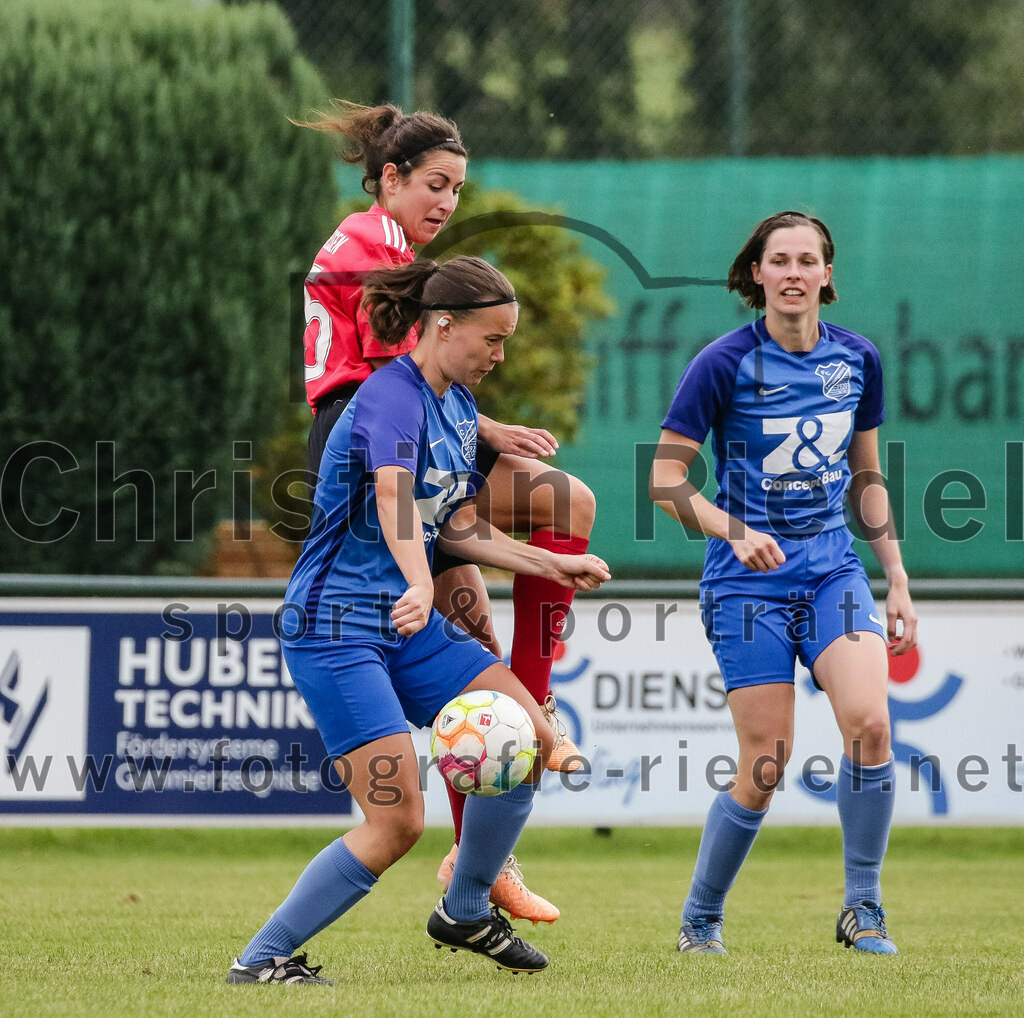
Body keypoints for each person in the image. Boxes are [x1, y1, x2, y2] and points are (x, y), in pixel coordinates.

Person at [227, 256, 610, 985]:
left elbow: (456, 525)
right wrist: (418, 582)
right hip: (337, 626)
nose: (499, 356)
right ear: (443, 325)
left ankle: (464, 909)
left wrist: (548, 562)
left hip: (404, 622)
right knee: (397, 822)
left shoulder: (459, 408)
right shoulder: (390, 395)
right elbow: (394, 500)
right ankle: (260, 959)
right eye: (492, 339)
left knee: (527, 734)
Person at [296, 100, 595, 924]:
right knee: (564, 503)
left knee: (480, 666)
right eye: (435, 184)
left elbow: (422, 375)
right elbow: (402, 380)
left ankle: (478, 855)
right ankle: (535, 713)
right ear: (389, 179)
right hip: (371, 443)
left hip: (398, 435)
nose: (447, 202)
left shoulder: (389, 245)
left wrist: (480, 426)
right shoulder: (371, 243)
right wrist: (486, 427)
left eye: (458, 189)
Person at [649, 211, 917, 956]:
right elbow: (664, 479)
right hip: (746, 585)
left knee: (870, 724)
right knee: (766, 763)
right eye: (780, 261)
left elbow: (866, 477)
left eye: (807, 260)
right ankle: (701, 918)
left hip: (833, 569)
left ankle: (863, 908)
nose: (794, 273)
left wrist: (896, 575)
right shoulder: (723, 363)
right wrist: (734, 531)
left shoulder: (858, 358)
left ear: (827, 274)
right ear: (757, 274)